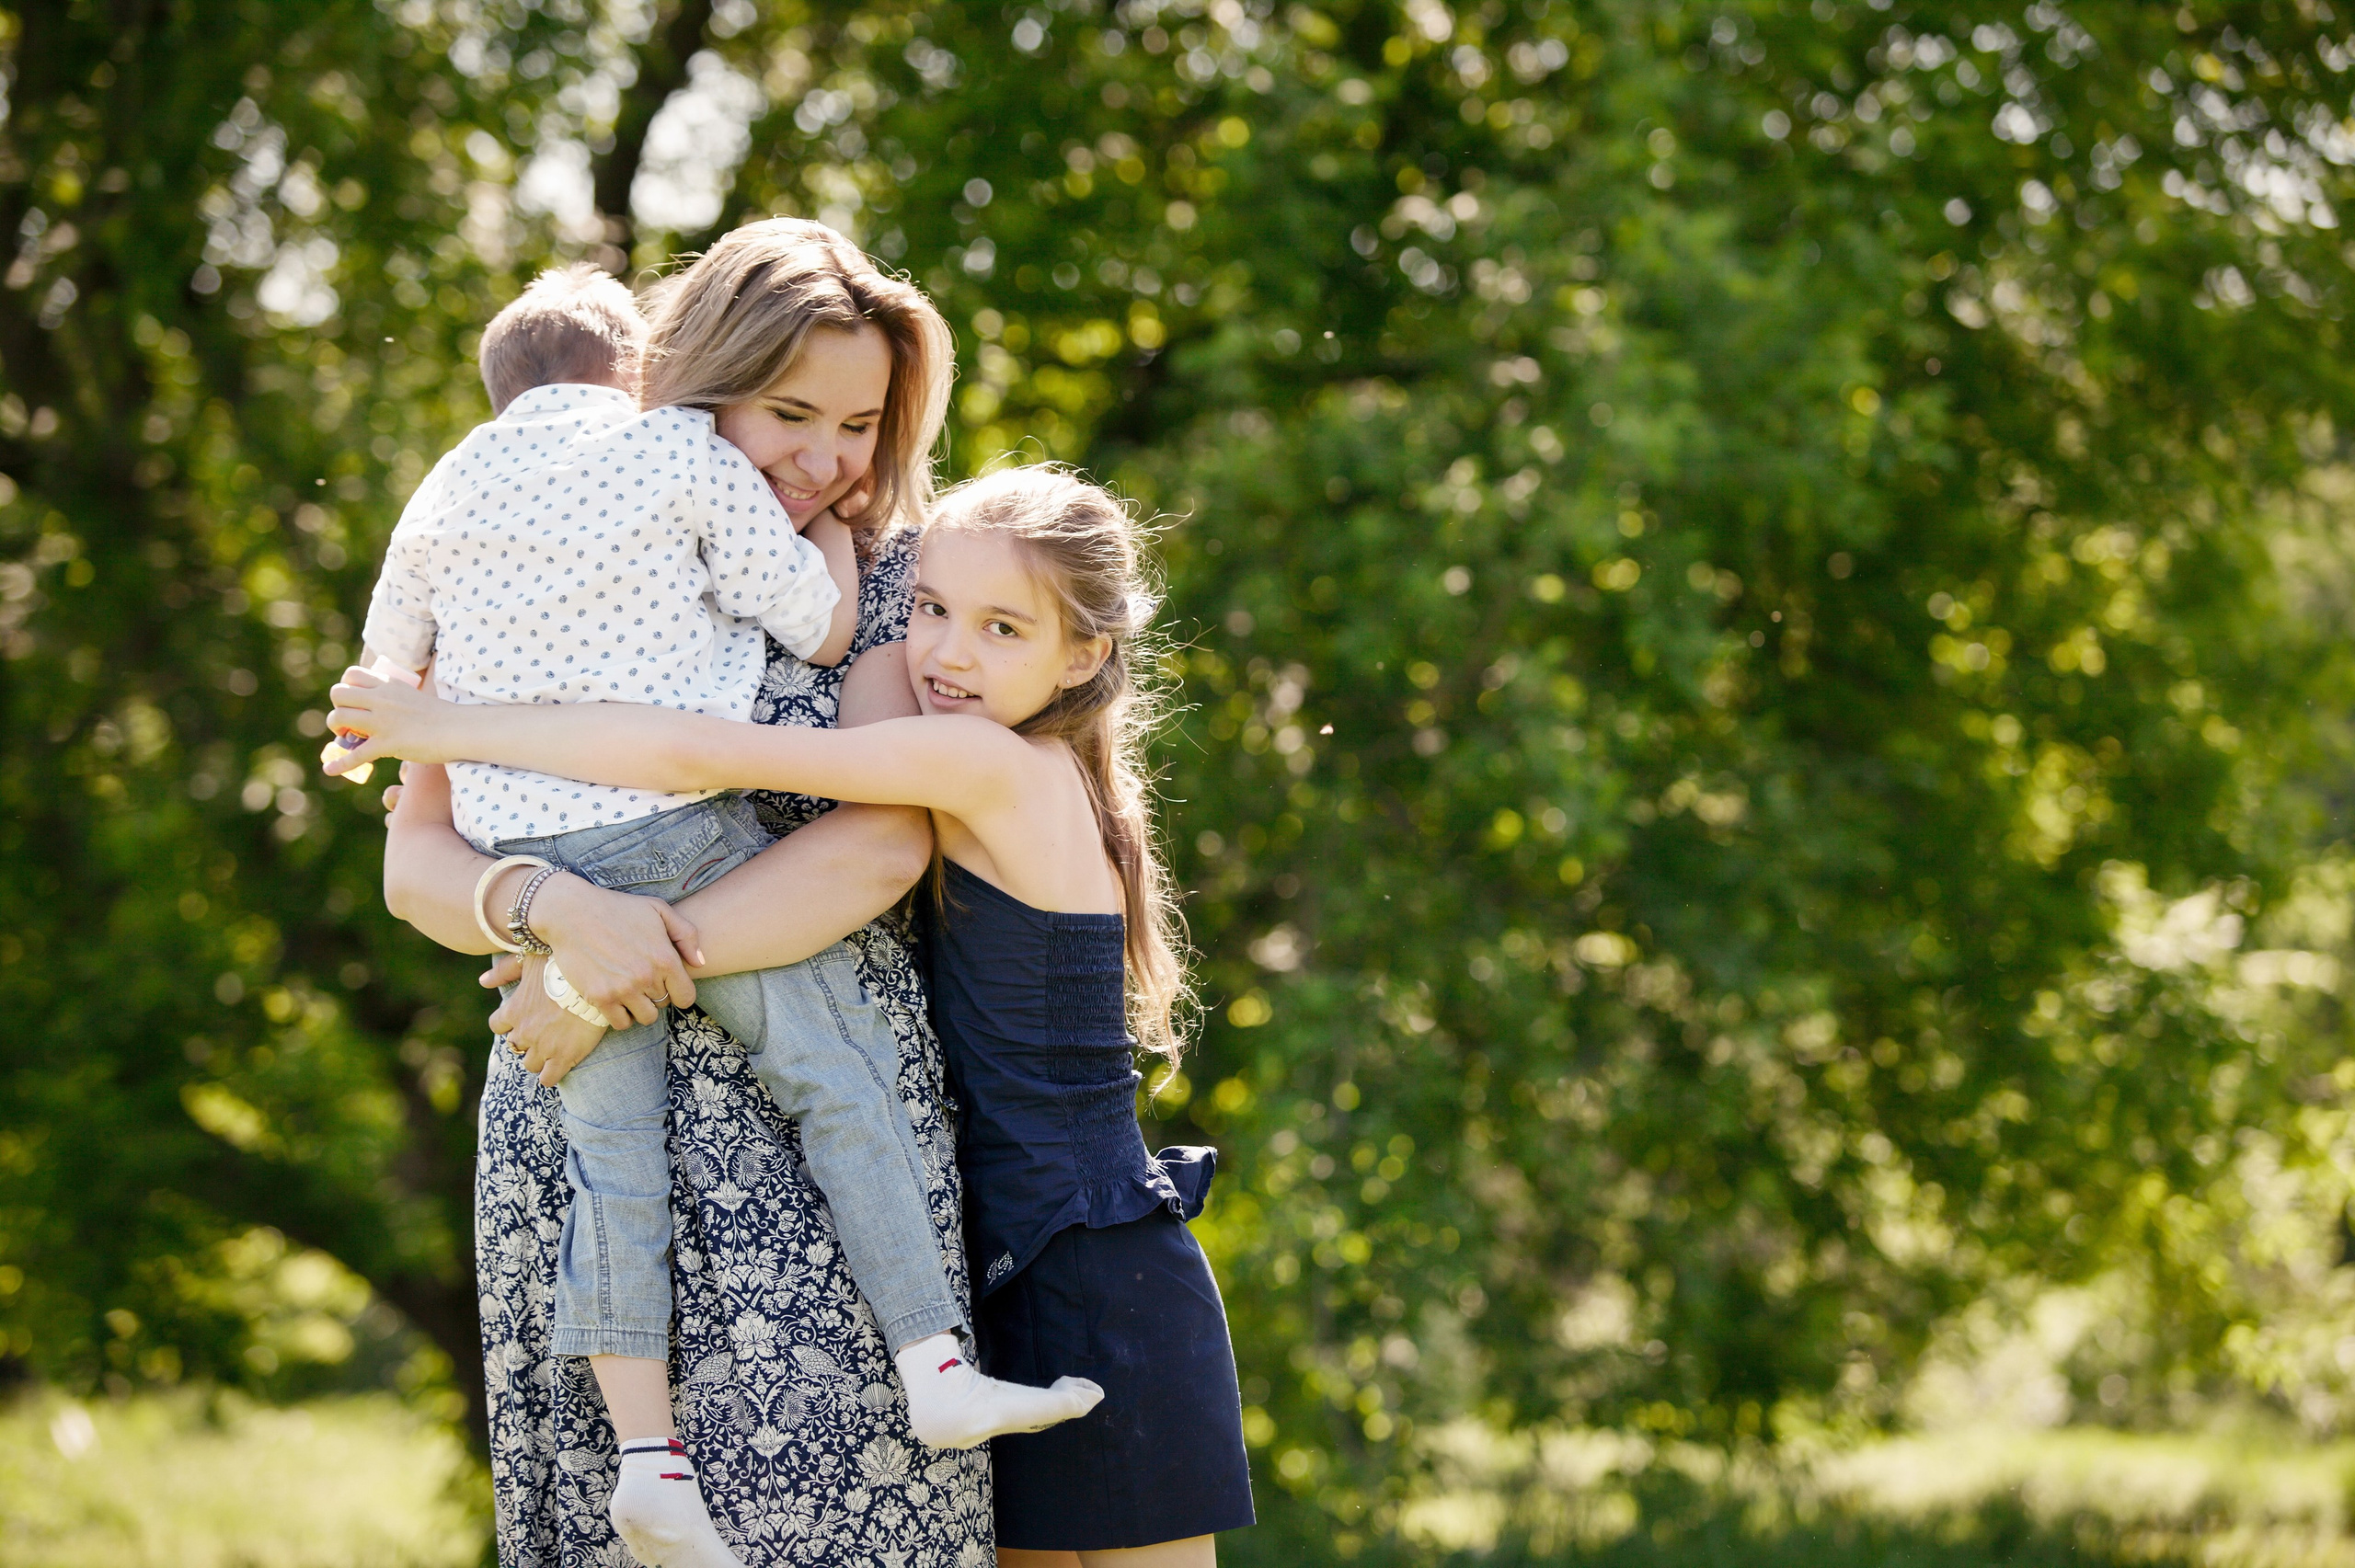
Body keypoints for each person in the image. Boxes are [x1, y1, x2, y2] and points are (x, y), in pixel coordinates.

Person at [332, 464, 1258, 1566]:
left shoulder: (988, 761)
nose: (947, 654)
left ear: (1084, 655)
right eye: (928, 610)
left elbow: (694, 754)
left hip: (1088, 1268)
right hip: (1000, 1257)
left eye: (1001, 628)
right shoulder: (989, 751)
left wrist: (450, 727)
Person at [361, 223, 999, 1565]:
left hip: (805, 1157)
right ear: (699, 380)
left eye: (861, 424)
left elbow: (881, 847)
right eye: (790, 413)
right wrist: (542, 902)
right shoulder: (539, 555)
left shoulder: (891, 579)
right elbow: (415, 865)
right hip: (582, 1148)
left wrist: (608, 968)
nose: (826, 459)